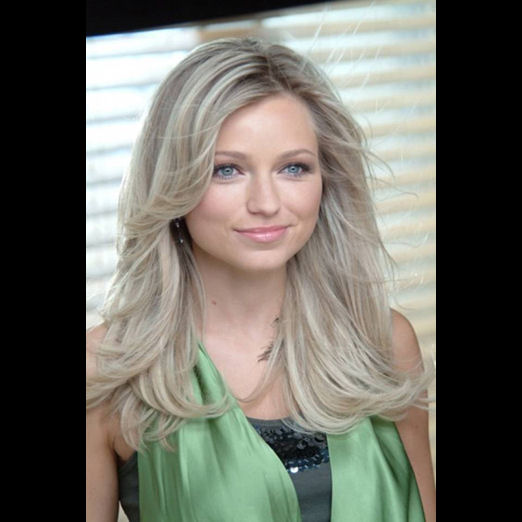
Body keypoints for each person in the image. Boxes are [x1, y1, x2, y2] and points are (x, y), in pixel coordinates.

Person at [86, 37, 435, 521]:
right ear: (173, 181)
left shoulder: (383, 343)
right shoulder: (107, 370)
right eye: (227, 170)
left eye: (294, 167)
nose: (267, 203)